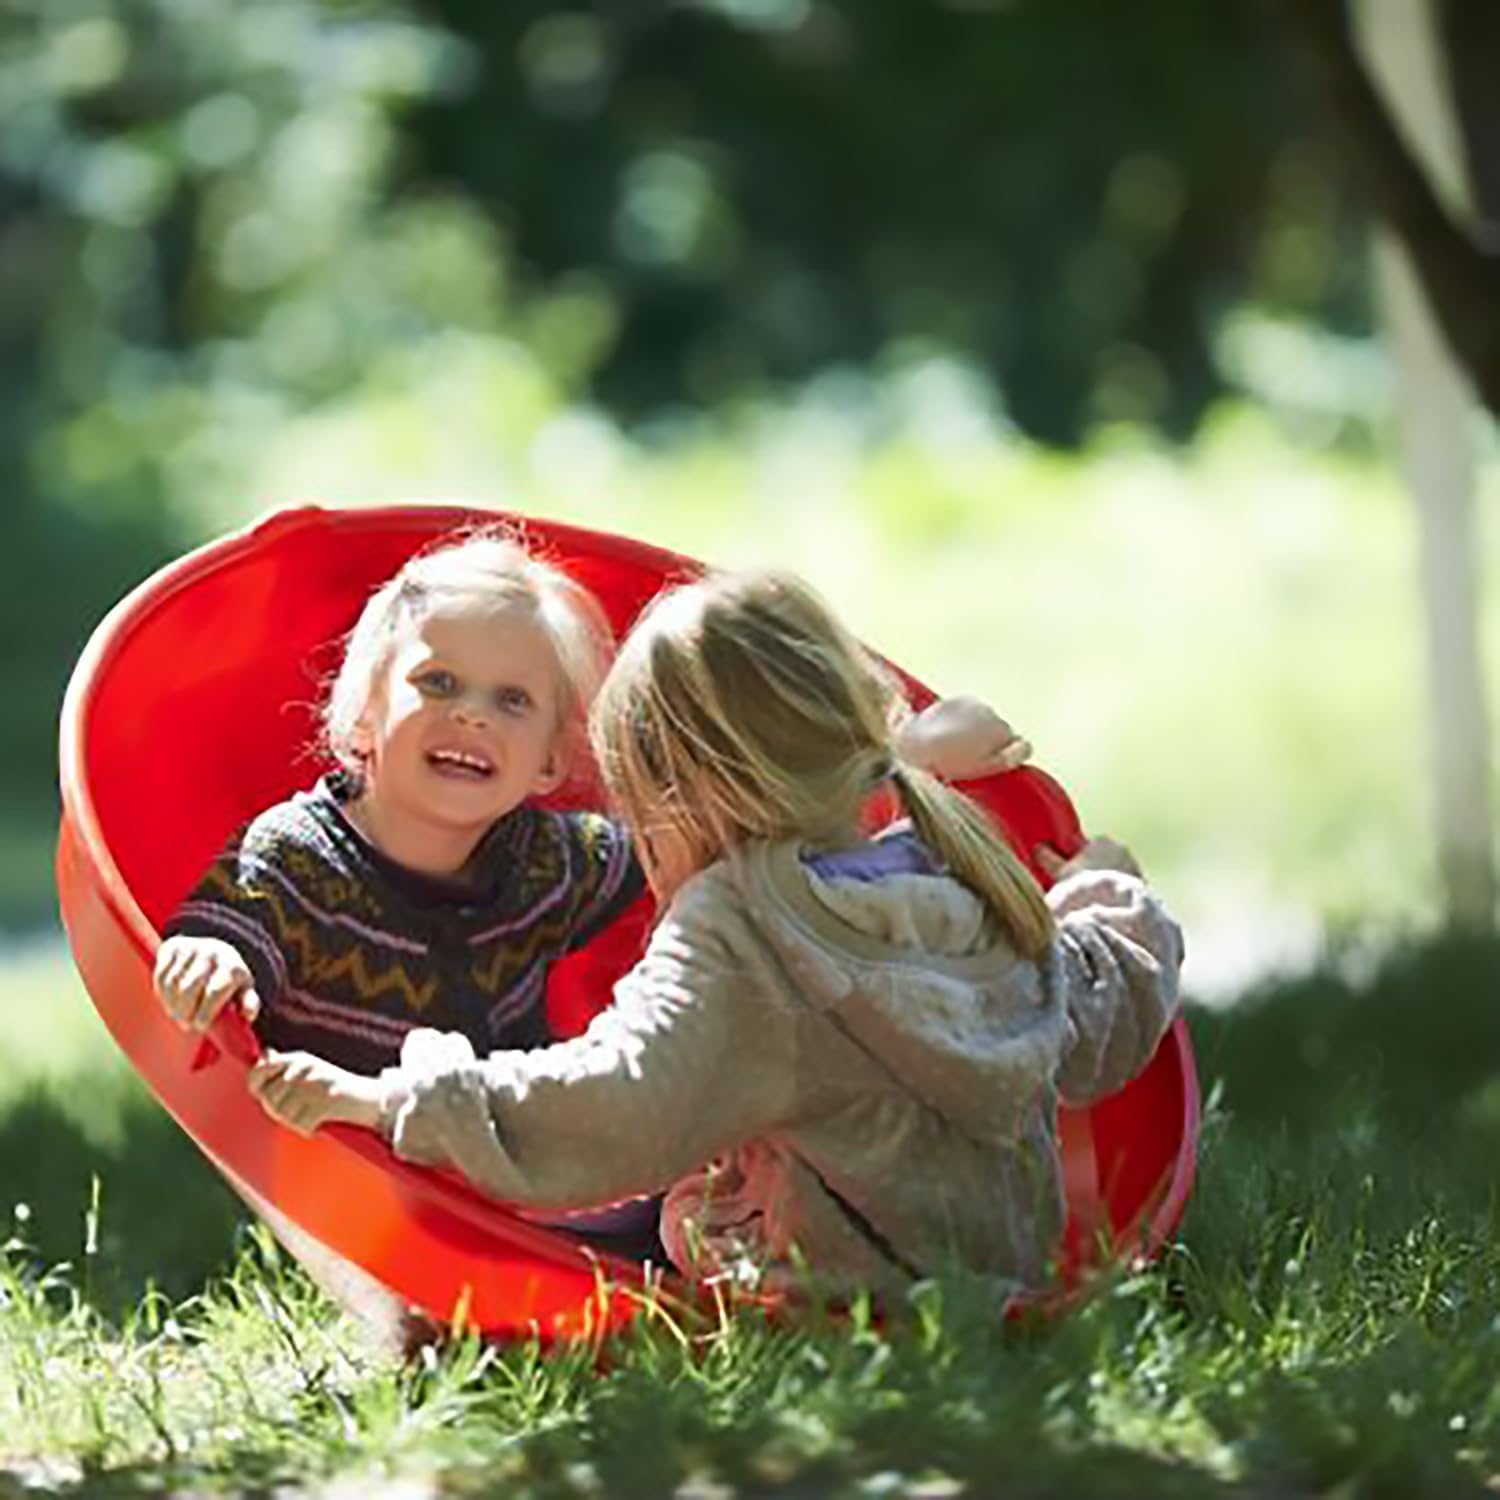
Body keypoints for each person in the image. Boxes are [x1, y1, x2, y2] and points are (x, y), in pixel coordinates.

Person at [246, 567, 1183, 1304]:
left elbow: (620, 1099)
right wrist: (1107, 889)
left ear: (679, 798)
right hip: (999, 1283)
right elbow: (1098, 1005)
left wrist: (390, 1100)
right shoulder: (951, 869)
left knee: (631, 1219)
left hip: (826, 1298)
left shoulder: (743, 927)